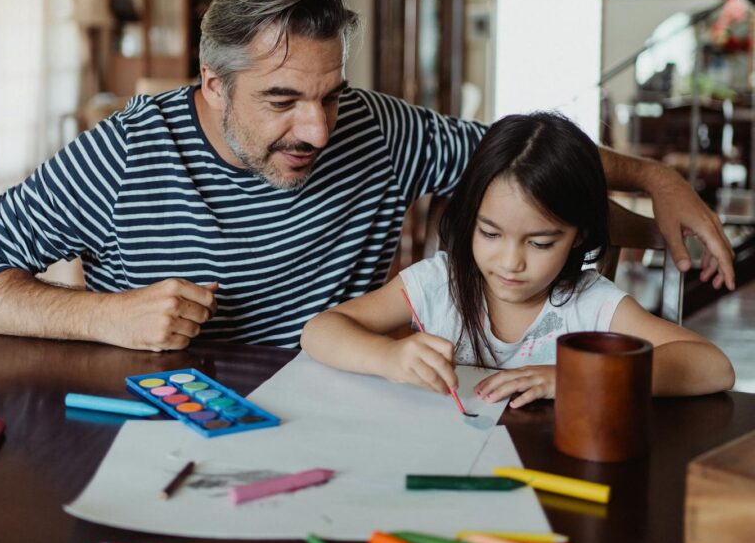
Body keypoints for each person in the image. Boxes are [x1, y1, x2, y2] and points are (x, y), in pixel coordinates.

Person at [0, 0, 736, 353]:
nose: (317, 129)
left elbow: (530, 177)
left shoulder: (374, 129)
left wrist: (657, 184)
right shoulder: (124, 153)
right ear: (212, 84)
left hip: (335, 403)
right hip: (158, 420)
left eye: (331, 95)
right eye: (281, 100)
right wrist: (104, 318)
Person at [302, 112, 735, 400]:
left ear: (577, 235)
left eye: (541, 243)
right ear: (470, 218)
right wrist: (387, 357)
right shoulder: (441, 282)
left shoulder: (588, 302)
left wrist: (580, 379)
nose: (510, 262)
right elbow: (319, 331)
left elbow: (713, 367)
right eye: (490, 233)